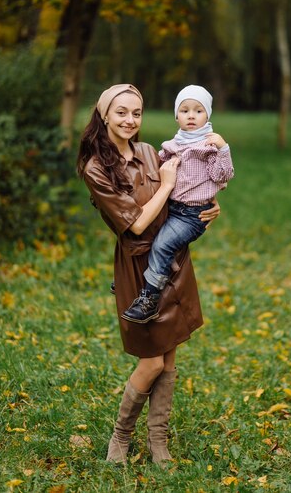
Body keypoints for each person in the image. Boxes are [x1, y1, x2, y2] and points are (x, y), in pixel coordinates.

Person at [76, 83, 220, 466]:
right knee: (152, 361)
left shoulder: (145, 151)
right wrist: (169, 183)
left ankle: (159, 442)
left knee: (169, 361)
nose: (129, 120)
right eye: (121, 112)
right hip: (139, 268)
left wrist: (208, 202)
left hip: (172, 257)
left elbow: (182, 191)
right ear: (104, 114)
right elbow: (137, 224)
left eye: (136, 113)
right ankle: (120, 438)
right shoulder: (96, 168)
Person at [122, 84, 234, 324]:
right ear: (176, 115)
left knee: (162, 245)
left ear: (208, 116)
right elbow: (155, 170)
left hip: (193, 215)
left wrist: (223, 148)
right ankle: (133, 282)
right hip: (171, 208)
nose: (191, 116)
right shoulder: (173, 144)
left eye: (198, 111)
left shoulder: (209, 146)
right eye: (184, 111)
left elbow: (222, 176)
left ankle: (149, 299)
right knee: (153, 238)